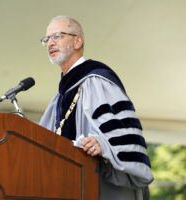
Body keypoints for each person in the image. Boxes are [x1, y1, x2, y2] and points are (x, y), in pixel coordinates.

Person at [39, 16, 154, 200]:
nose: (50, 43)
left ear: (78, 41)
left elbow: (122, 130)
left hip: (100, 187)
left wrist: (104, 143)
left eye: (57, 36)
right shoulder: (59, 98)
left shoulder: (97, 80)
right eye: (46, 39)